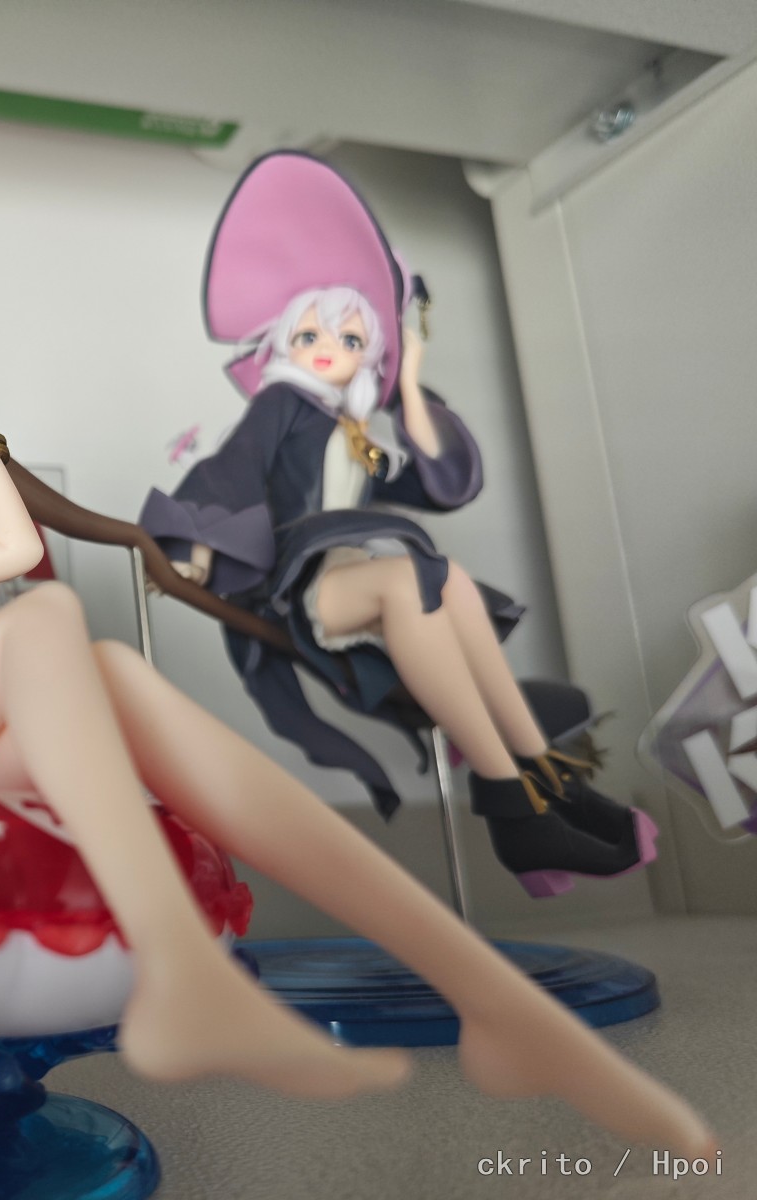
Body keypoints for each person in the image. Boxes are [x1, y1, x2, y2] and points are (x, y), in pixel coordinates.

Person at [0, 256, 711, 1153]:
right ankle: (182, 972)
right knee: (46, 624)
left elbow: (12, 548)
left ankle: (494, 1004)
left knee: (120, 678)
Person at [140, 152, 653, 897]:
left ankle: (547, 782)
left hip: (352, 571)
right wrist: (189, 546)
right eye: (313, 335)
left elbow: (441, 484)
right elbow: (230, 469)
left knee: (453, 583)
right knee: (414, 578)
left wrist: (408, 380)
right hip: (295, 583)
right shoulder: (281, 405)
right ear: (284, 341)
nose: (330, 350)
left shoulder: (356, 428)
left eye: (352, 341)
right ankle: (515, 805)